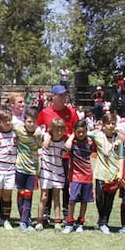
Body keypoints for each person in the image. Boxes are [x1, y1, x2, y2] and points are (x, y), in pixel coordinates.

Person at [37, 85, 79, 221]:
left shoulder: (71, 112)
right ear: (53, 96)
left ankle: (66, 212)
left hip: (65, 154)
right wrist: (46, 136)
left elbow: (78, 129)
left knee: (66, 184)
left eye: (64, 95)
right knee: (47, 184)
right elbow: (39, 128)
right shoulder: (45, 112)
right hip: (50, 155)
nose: (63, 98)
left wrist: (71, 139)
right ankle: (46, 213)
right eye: (60, 95)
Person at [88, 112, 122, 234]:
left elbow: (121, 156)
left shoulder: (118, 139)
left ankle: (104, 222)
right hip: (100, 173)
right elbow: (81, 132)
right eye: (108, 123)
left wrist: (121, 173)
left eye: (113, 123)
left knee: (109, 200)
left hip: (113, 173)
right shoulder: (97, 136)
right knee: (100, 199)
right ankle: (101, 218)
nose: (111, 126)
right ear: (103, 124)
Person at [62, 120, 95, 234]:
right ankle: (70, 222)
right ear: (74, 132)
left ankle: (80, 222)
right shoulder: (72, 143)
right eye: (78, 132)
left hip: (87, 176)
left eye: (83, 132)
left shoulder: (90, 143)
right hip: (75, 176)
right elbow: (66, 147)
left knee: (84, 201)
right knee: (72, 200)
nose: (81, 134)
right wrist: (72, 137)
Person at [15, 108, 44, 232]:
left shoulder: (39, 134)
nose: (30, 124)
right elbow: (5, 122)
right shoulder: (19, 129)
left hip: (32, 169)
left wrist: (39, 129)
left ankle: (24, 221)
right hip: (20, 168)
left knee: (28, 195)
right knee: (21, 194)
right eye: (28, 121)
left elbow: (43, 143)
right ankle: (24, 220)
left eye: (33, 122)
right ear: (24, 121)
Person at [37, 118, 67, 231]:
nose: (59, 132)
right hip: (46, 171)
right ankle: (40, 220)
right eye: (56, 130)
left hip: (58, 172)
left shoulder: (65, 142)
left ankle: (57, 221)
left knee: (56, 197)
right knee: (44, 197)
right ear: (52, 130)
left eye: (61, 130)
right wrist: (48, 136)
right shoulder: (45, 138)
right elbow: (38, 132)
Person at [0, 110, 18, 229]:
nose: (8, 122)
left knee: (7, 195)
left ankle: (6, 220)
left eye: (9, 120)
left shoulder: (15, 134)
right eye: (5, 120)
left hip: (10, 169)